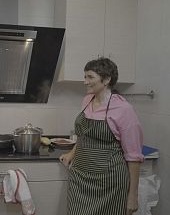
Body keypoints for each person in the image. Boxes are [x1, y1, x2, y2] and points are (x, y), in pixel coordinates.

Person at [59, 57, 144, 215]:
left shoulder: (124, 109)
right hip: (80, 177)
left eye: (90, 77)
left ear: (106, 80)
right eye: (85, 76)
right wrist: (72, 153)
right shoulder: (86, 100)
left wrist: (133, 196)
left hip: (109, 182)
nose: (85, 81)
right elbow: (83, 136)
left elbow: (134, 156)